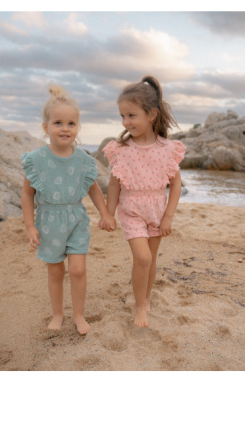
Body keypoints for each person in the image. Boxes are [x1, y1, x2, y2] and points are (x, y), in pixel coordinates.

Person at [21, 85, 116, 335]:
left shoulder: (83, 160)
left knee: (77, 269)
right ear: (45, 127)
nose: (65, 128)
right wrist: (30, 226)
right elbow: (27, 194)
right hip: (48, 221)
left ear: (77, 127)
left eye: (71, 124)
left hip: (76, 219)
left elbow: (93, 189)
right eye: (58, 123)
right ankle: (57, 315)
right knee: (55, 271)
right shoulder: (36, 159)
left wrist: (105, 213)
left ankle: (78, 315)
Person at [103, 75, 186, 328]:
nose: (126, 122)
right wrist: (108, 214)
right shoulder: (121, 149)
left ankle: (147, 297)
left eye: (131, 115)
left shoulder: (168, 149)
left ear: (151, 114)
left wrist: (168, 216)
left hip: (157, 211)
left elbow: (176, 185)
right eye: (122, 116)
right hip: (131, 210)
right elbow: (114, 185)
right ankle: (140, 307)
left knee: (151, 258)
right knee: (142, 258)